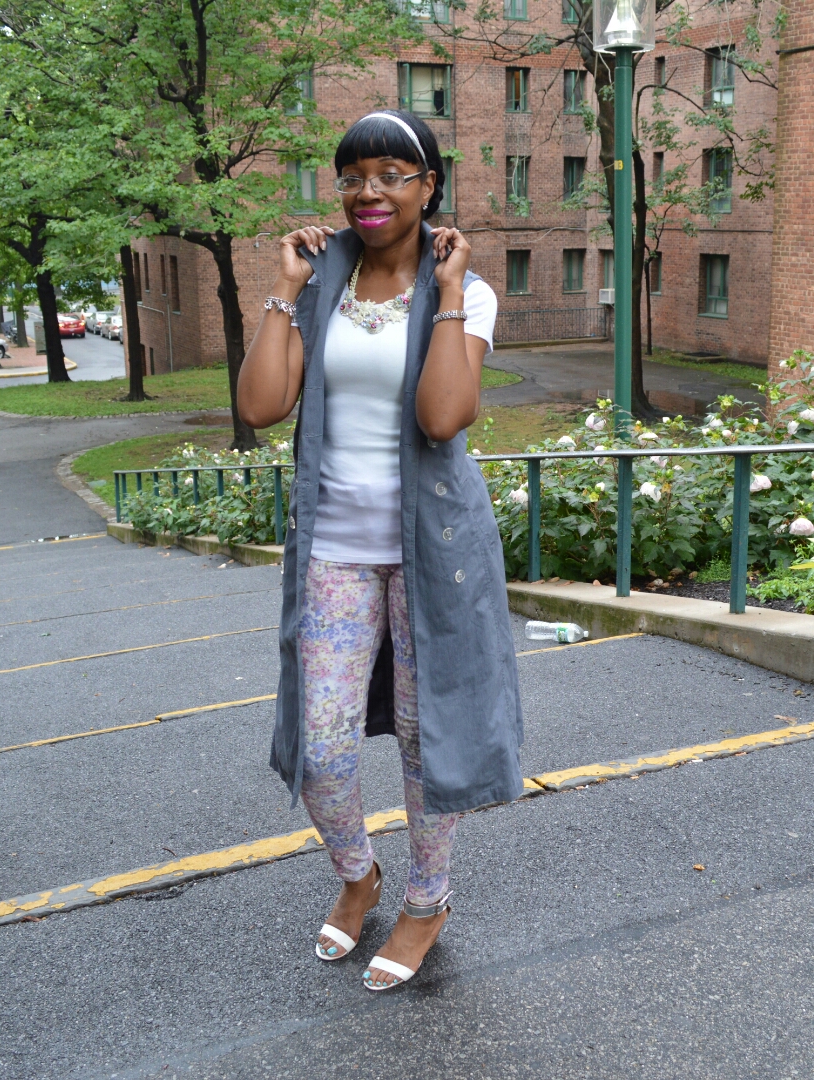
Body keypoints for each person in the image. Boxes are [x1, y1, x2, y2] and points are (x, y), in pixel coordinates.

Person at [238, 110, 524, 992]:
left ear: (428, 187)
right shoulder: (320, 280)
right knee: (320, 748)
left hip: (433, 550)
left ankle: (427, 900)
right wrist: (285, 288)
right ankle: (358, 875)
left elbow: (443, 417)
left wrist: (447, 292)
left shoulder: (467, 293)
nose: (370, 191)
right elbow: (261, 406)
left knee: (421, 735)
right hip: (334, 548)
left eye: (393, 174)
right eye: (354, 175)